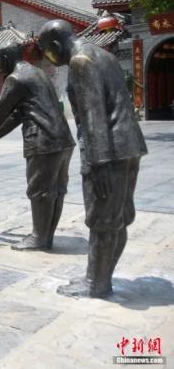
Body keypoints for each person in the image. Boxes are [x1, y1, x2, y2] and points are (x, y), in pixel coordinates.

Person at [38, 19, 147, 298]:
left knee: (102, 219)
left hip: (108, 152)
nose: (47, 58)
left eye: (45, 51)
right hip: (129, 145)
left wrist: (98, 165)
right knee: (118, 217)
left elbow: (93, 116)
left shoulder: (80, 61)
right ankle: (101, 277)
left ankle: (95, 283)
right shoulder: (103, 55)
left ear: (55, 45)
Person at [0, 40, 75, 251]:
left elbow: (0, 110)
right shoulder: (36, 72)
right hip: (63, 140)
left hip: (43, 140)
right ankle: (46, 236)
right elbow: (18, 114)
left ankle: (39, 238)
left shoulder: (15, 78)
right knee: (57, 190)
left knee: (40, 191)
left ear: (5, 59)